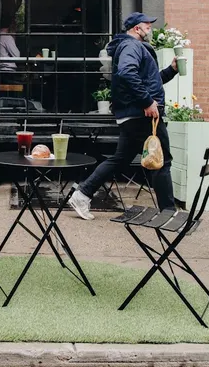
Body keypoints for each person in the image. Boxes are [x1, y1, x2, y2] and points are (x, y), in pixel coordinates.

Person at [68, 12, 179, 220]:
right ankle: (168, 213)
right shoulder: (132, 46)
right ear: (136, 28)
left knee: (120, 160)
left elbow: (150, 81)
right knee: (162, 162)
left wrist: (171, 70)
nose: (150, 29)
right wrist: (146, 102)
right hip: (141, 115)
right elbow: (127, 73)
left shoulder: (133, 47)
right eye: (147, 26)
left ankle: (82, 194)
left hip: (133, 115)